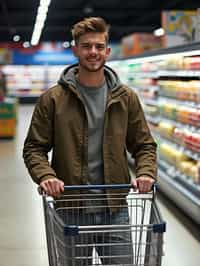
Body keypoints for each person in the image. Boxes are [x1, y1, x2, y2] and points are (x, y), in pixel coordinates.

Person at [23, 17, 157, 265]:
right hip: (71, 207)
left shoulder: (126, 98)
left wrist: (146, 172)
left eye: (98, 46)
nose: (92, 52)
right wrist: (46, 176)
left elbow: (144, 145)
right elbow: (34, 147)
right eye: (86, 46)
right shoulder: (53, 99)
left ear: (107, 51)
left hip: (115, 208)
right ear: (75, 50)